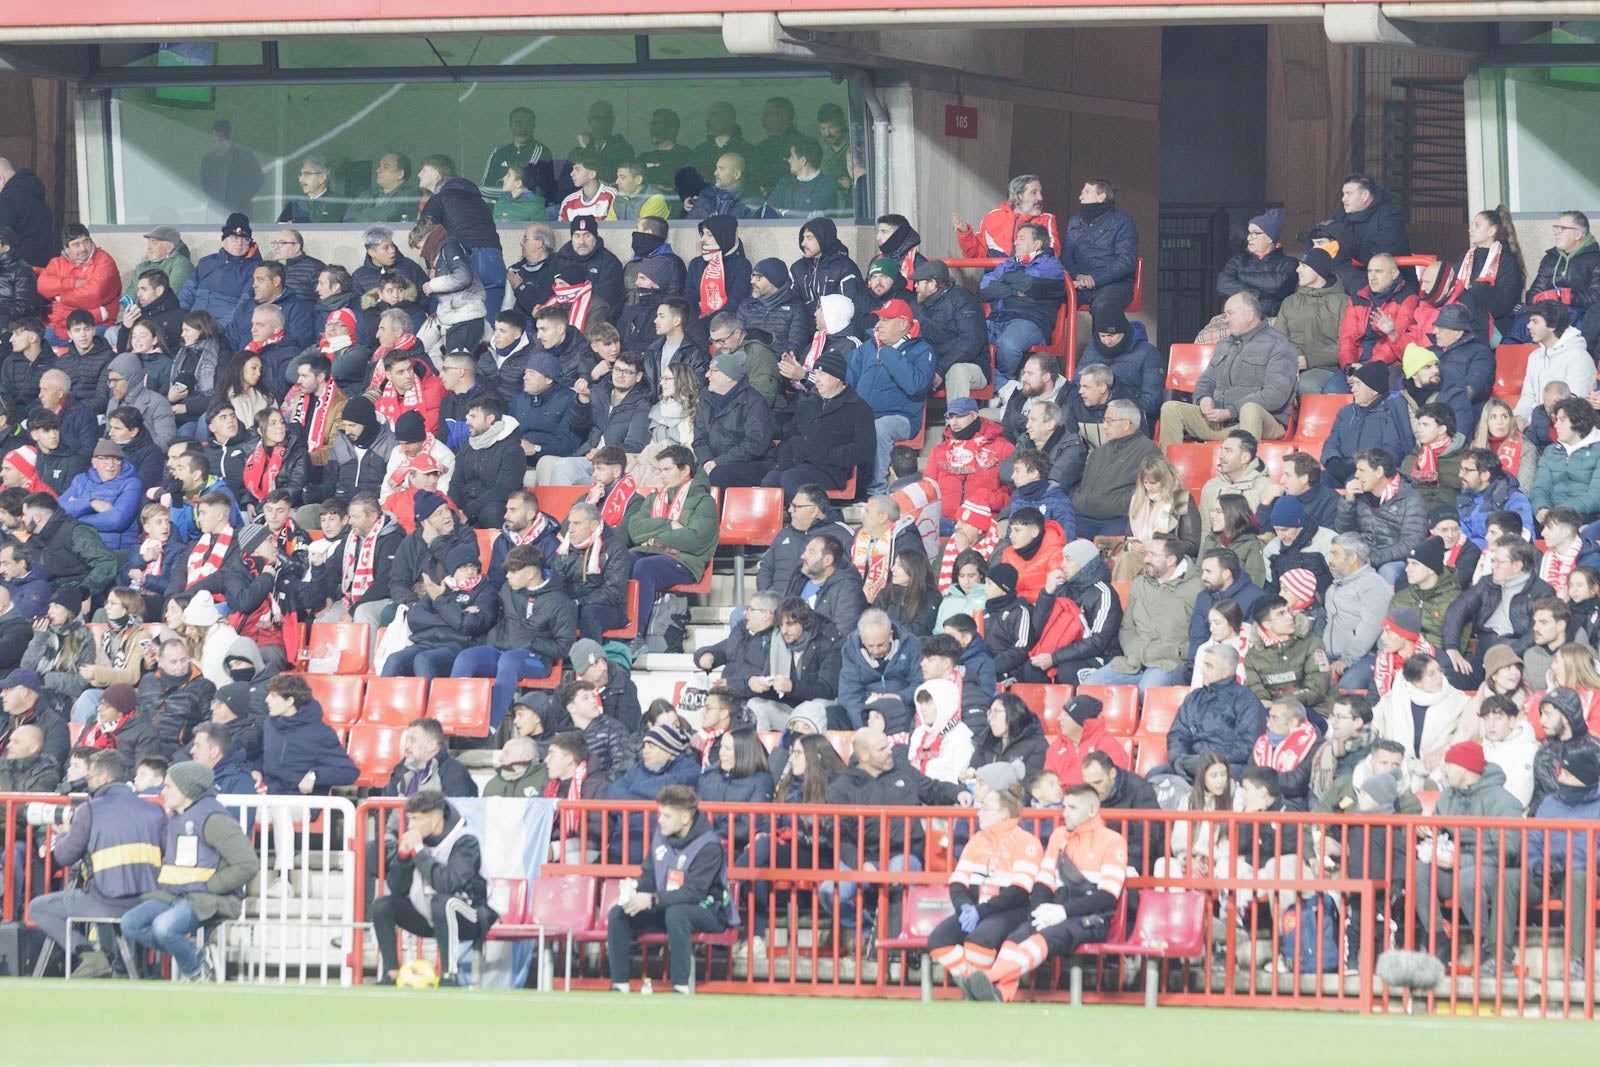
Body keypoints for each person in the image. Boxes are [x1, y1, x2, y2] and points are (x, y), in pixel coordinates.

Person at [964, 784, 1126, 1002]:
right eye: (1065, 806)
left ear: (1091, 810)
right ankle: (999, 993)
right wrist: (1040, 911)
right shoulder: (1059, 836)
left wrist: (1063, 912)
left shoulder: (1113, 841)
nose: (1065, 812)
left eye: (1072, 808)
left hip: (1091, 918)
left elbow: (1107, 895)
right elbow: (1043, 881)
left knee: (1043, 938)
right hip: (1053, 911)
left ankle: (987, 979)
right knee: (1016, 937)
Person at [28, 749, 166, 977]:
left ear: (104, 778)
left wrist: (64, 834)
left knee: (38, 907)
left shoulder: (89, 810)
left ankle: (89, 955)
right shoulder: (154, 810)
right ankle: (120, 967)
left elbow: (64, 857)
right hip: (148, 902)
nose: (87, 782)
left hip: (106, 900)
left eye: (90, 777)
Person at [119, 760, 258, 981]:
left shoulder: (215, 819)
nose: (163, 791)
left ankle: (195, 970)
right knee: (130, 924)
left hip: (209, 898)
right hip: (176, 893)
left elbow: (248, 863)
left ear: (187, 790)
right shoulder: (176, 816)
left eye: (169, 786)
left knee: (164, 928)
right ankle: (196, 958)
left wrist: (212, 886)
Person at [606, 784, 732, 994]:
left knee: (678, 912)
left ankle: (680, 985)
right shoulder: (660, 836)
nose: (660, 820)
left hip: (707, 909)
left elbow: (694, 893)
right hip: (666, 905)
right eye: (660, 814)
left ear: (685, 818)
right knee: (619, 913)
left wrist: (653, 899)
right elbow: (648, 876)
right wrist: (629, 893)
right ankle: (619, 984)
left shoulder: (709, 845)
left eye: (666, 816)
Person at [1413, 741, 1523, 976]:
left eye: (1449, 766)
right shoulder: (1447, 797)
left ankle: (1486, 945)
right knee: (1419, 870)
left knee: (1467, 878)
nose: (1444, 772)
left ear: (1465, 769)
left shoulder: (1503, 801)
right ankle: (1438, 940)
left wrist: (1460, 861)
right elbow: (1442, 831)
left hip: (1490, 869)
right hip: (1457, 865)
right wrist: (1428, 830)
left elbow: (1510, 849)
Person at [371, 789, 495, 986]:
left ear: (435, 820)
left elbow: (448, 884)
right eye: (409, 819)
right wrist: (402, 858)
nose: (410, 826)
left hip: (472, 916)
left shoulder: (465, 841)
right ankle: (391, 974)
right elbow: (397, 889)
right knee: (383, 905)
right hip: (431, 916)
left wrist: (419, 852)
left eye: (416, 820)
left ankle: (450, 975)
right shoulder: (417, 841)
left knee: (443, 902)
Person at [1159, 293, 1296, 447]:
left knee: (1250, 410)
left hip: (1260, 421)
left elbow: (1276, 394)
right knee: (1171, 409)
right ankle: (1166, 470)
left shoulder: (1279, 344)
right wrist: (1204, 398)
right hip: (1219, 420)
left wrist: (1231, 412)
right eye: (1225, 314)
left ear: (1250, 314)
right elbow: (1206, 380)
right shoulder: (1224, 344)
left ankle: (1246, 469)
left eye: (1230, 313)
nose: (1225, 320)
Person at [622, 444, 718, 638]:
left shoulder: (703, 500)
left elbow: (695, 539)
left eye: (667, 470)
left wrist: (653, 535)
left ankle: (635, 634)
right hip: (651, 552)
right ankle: (615, 625)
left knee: (645, 567)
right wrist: (669, 524)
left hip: (684, 562)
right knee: (622, 560)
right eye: (660, 470)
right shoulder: (654, 497)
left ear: (685, 470)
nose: (662, 476)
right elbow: (634, 530)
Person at [1083, 536, 1200, 691]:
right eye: (1146, 553)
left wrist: (1177, 652)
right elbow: (1127, 627)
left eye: (1152, 554)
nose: (1146, 559)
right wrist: (1132, 650)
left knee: (1148, 690)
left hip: (1168, 663)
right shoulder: (1139, 584)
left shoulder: (1196, 589)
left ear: (1171, 560)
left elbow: (1201, 635)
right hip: (1133, 659)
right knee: (1090, 686)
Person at [1442, 536, 1555, 688]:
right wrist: (1451, 647)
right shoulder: (1487, 583)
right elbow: (1458, 608)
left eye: (1499, 562)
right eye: (1493, 561)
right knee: (1446, 677)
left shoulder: (1542, 591)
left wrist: (1503, 657)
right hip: (1483, 656)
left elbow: (1535, 633)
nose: (1493, 566)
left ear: (1517, 566)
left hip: (1516, 660)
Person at [1062, 178, 1139, 323]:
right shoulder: (1074, 221)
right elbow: (1066, 256)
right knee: (1050, 298)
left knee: (1104, 305)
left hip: (1113, 284)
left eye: (1086, 192)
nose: (1080, 196)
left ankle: (1102, 345)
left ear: (1101, 197)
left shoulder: (1122, 221)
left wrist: (1095, 279)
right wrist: (1077, 276)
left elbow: (1127, 260)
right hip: (1078, 284)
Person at [1320, 173, 1411, 294]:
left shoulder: (1389, 216)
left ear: (1365, 195)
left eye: (1349, 193)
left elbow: (1385, 254)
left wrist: (1347, 253)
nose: (1343, 199)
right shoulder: (1341, 216)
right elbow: (1326, 239)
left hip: (1392, 284)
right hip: (1352, 278)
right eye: (1343, 194)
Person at [1274, 248, 1347, 394]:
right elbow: (1277, 340)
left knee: (1307, 385)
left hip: (1326, 368)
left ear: (1318, 271)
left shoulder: (1343, 303)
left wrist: (1308, 360)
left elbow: (1344, 346)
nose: (1298, 269)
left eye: (1304, 266)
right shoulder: (1289, 302)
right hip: (1289, 365)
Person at [1516, 301, 1595, 426]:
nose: (1528, 326)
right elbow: (1528, 397)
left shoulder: (1579, 357)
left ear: (1552, 326)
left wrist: (1529, 423)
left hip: (1566, 428)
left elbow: (1573, 406)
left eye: (1535, 322)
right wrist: (1518, 418)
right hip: (1535, 425)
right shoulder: (1534, 357)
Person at [36, 223, 120, 340]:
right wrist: (73, 283)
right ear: (66, 248)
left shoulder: (104, 261)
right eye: (76, 245)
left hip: (97, 325)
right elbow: (42, 285)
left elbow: (95, 294)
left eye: (86, 242)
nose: (83, 248)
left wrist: (62, 298)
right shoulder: (57, 263)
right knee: (39, 342)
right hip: (62, 326)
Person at [1531, 397, 1600, 524]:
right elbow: (1540, 487)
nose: (1556, 425)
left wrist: (1557, 513)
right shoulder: (1551, 451)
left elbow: (1595, 497)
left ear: (1579, 421)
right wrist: (1541, 508)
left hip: (1587, 518)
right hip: (1551, 517)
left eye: (1562, 420)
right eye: (1556, 420)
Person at [0, 159, 53, 268]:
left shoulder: (6, 199)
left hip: (13, 274)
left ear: (1, 179)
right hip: (41, 270)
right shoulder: (38, 197)